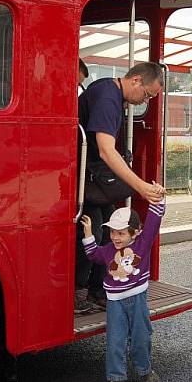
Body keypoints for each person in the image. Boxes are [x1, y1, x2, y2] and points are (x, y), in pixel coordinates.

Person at [75, 62, 166, 313]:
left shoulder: (109, 91)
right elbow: (105, 150)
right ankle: (75, 291)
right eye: (147, 94)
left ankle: (96, 289)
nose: (143, 100)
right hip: (85, 174)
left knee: (109, 226)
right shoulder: (107, 98)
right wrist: (141, 187)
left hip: (91, 175)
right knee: (91, 229)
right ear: (135, 80)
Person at [80, 197, 165, 382]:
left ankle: (145, 370)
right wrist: (88, 234)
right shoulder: (109, 250)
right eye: (112, 232)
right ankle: (117, 378)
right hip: (115, 302)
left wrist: (157, 198)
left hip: (137, 300)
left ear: (135, 233)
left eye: (121, 233)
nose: (115, 237)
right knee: (115, 340)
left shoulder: (143, 244)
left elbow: (154, 221)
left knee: (141, 337)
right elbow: (93, 254)